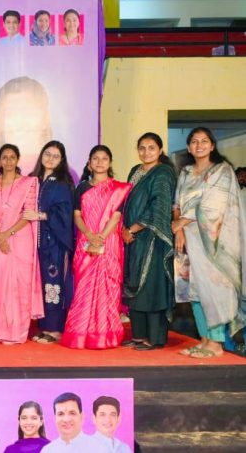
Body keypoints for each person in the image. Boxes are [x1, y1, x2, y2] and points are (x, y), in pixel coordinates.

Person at [174, 127, 246, 358]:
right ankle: (204, 340)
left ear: (212, 145)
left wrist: (183, 221)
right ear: (188, 147)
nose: (199, 145)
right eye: (194, 142)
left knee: (213, 289)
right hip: (188, 241)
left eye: (204, 141)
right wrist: (179, 229)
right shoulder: (185, 172)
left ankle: (215, 344)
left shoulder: (222, 171)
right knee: (194, 291)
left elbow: (214, 206)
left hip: (214, 242)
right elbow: (177, 204)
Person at [60, 146, 132, 350]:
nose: (100, 162)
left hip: (108, 243)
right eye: (95, 158)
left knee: (108, 288)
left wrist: (101, 237)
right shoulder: (82, 187)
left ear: (110, 163)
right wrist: (89, 234)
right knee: (83, 288)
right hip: (86, 242)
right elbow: (77, 215)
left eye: (104, 158)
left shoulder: (118, 189)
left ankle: (105, 334)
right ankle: (80, 333)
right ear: (89, 163)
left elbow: (116, 216)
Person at [0, 144, 43, 344]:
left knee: (19, 285)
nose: (8, 161)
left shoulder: (28, 183)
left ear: (17, 160)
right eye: (4, 157)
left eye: (12, 157)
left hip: (20, 238)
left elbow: (29, 213)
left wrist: (7, 234)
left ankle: (17, 331)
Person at [121, 133, 176, 351]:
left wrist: (133, 228)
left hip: (153, 237)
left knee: (152, 286)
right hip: (133, 239)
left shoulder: (163, 173)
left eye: (151, 148)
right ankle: (139, 335)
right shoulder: (136, 171)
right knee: (135, 283)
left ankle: (154, 339)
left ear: (160, 150)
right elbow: (127, 202)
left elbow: (158, 207)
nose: (146, 152)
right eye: (142, 148)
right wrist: (125, 230)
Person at [24, 141, 75, 344]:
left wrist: (41, 215)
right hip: (34, 243)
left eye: (56, 156)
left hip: (55, 242)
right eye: (47, 154)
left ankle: (55, 329)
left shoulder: (63, 183)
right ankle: (44, 326)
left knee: (54, 284)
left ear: (61, 160)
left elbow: (66, 213)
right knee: (40, 284)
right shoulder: (32, 179)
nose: (50, 158)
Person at [41, 393, 108, 453]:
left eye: (72, 413)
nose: (66, 419)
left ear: (81, 416)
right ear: (55, 418)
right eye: (61, 414)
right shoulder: (48, 450)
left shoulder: (98, 448)